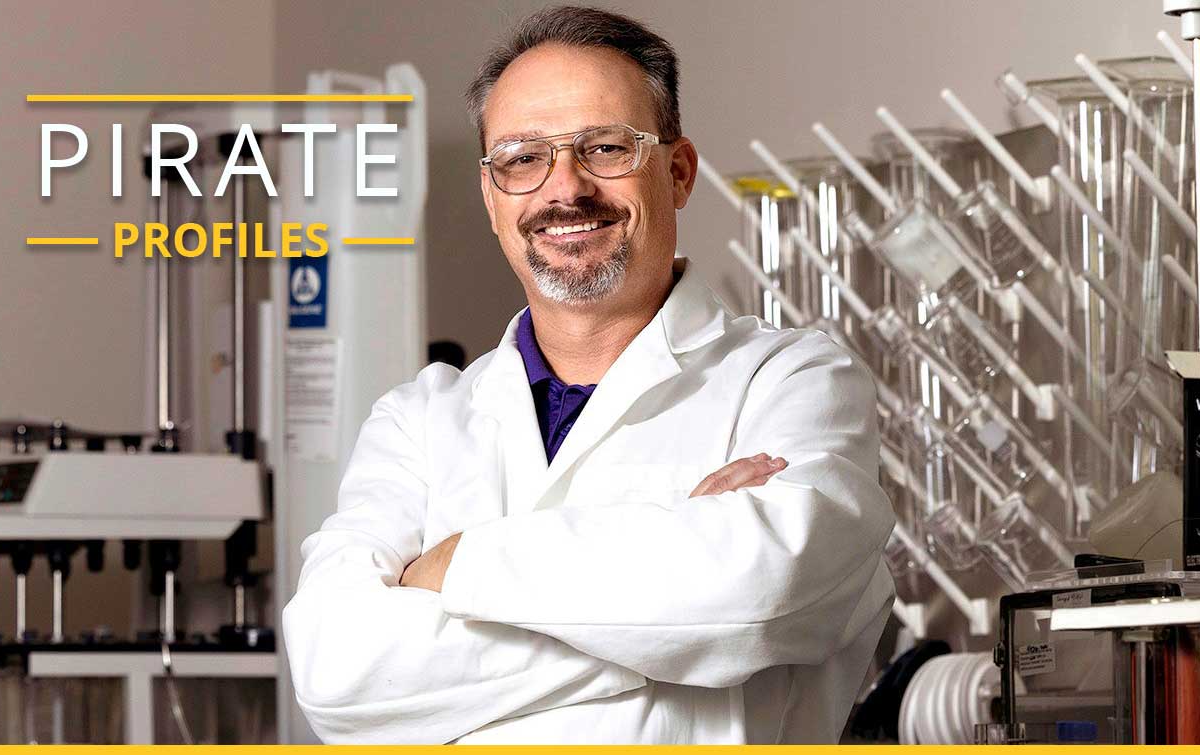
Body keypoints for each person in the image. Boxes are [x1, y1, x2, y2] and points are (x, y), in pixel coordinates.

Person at [280, 5, 892, 744]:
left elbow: (764, 592)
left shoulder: (793, 380)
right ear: (491, 197)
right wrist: (677, 639)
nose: (563, 188)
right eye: (521, 157)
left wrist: (456, 565)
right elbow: (334, 670)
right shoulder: (417, 419)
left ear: (677, 171)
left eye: (604, 147)